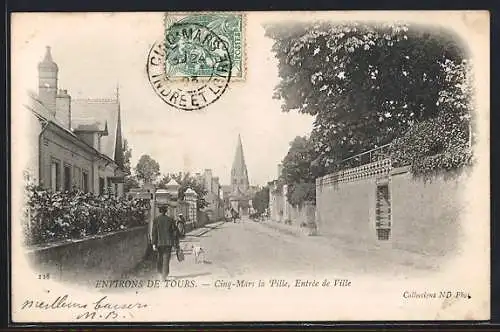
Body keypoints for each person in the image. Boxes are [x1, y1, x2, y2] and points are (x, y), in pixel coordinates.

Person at [151, 204, 180, 279]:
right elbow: (175, 232)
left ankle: (160, 273)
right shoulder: (170, 219)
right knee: (166, 259)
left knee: (160, 258)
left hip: (159, 243)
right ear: (166, 211)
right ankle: (164, 275)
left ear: (160, 211)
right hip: (168, 243)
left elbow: (154, 232)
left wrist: (154, 243)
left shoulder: (156, 219)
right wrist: (176, 243)